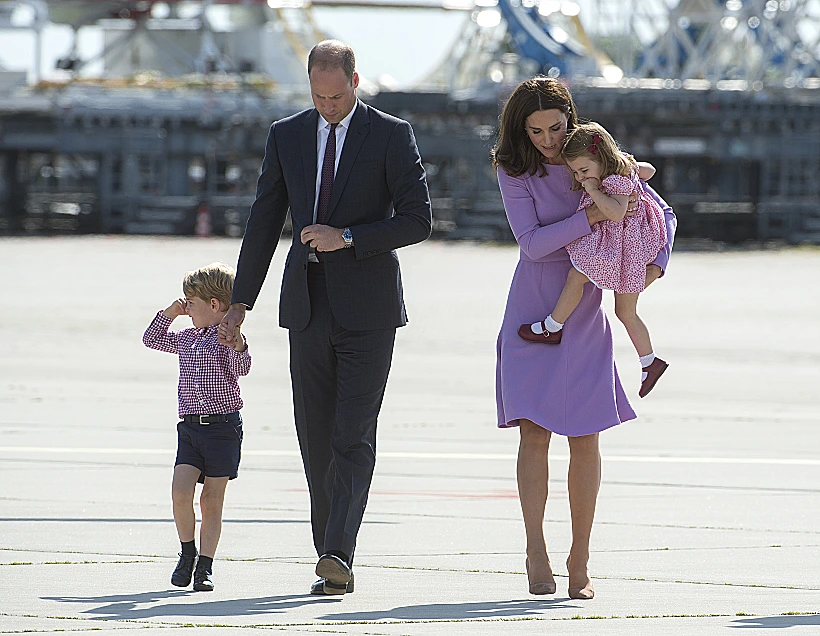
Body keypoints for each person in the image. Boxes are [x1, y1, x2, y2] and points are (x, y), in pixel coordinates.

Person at [218, 40, 432, 596]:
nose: (328, 106)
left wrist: (351, 238)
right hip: (306, 306)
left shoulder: (390, 134)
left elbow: (417, 220)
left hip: (369, 309)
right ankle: (327, 549)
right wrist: (241, 301)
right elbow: (264, 218)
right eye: (318, 96)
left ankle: (340, 552)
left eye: (337, 96)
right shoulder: (286, 134)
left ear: (355, 82)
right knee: (315, 437)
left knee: (352, 434)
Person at [492, 77, 676, 599]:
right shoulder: (513, 170)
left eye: (555, 127)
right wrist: (589, 215)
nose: (549, 140)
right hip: (534, 307)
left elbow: (660, 213)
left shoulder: (594, 154)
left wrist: (651, 270)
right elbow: (532, 246)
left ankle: (580, 559)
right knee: (533, 433)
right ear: (520, 130)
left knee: (585, 436)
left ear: (570, 121)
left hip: (585, 312)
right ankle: (536, 548)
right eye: (536, 130)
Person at [519, 122, 669, 397]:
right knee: (625, 312)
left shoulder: (615, 180)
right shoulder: (621, 168)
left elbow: (614, 213)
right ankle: (650, 361)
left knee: (577, 275)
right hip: (627, 246)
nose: (580, 176)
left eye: (584, 170)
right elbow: (650, 171)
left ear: (602, 158)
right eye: (575, 172)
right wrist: (633, 167)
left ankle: (552, 326)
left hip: (625, 247)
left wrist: (594, 191)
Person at [142, 262, 251, 592]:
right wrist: (171, 312)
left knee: (211, 501)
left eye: (191, 303)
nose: (188, 309)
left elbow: (243, 367)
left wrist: (238, 345)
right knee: (180, 493)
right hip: (190, 429)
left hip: (222, 429)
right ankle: (187, 552)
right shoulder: (187, 337)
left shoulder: (226, 338)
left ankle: (205, 566)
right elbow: (152, 339)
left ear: (214, 305)